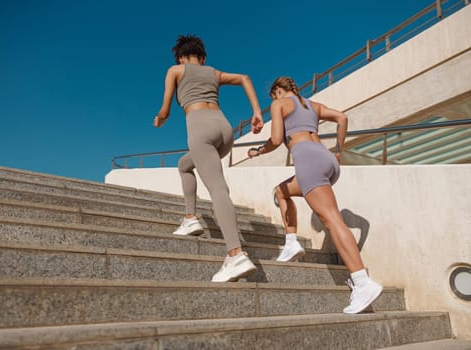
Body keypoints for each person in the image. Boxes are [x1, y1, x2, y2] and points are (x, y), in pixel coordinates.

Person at [248, 76, 382, 314]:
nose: (274, 101)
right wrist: (339, 151)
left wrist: (258, 150)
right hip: (326, 158)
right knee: (281, 192)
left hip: (308, 159)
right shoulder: (313, 105)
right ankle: (291, 243)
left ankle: (362, 282)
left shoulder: (280, 104)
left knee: (332, 220)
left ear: (278, 90)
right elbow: (342, 117)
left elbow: (277, 140)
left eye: (274, 96)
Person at [154, 34, 264, 282]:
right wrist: (256, 112)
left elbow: (166, 109)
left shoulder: (175, 70)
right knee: (184, 165)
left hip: (200, 126)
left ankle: (235, 254)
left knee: (217, 188)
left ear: (181, 56)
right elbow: (244, 78)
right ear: (202, 57)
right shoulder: (213, 72)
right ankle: (191, 218)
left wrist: (159, 118)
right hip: (224, 130)